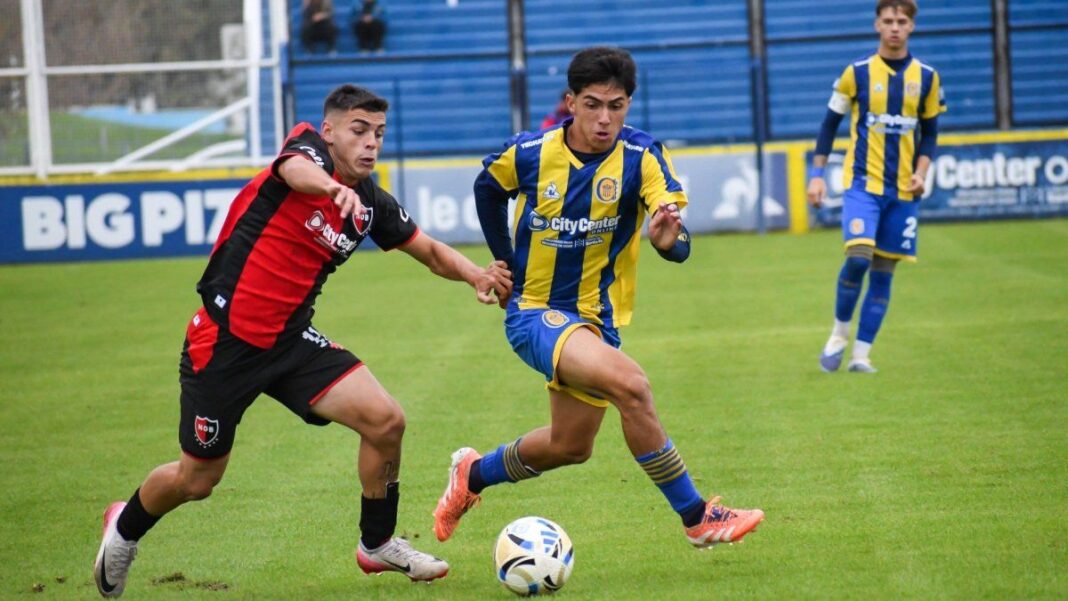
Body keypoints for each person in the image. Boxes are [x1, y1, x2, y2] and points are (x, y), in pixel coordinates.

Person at [92, 84, 513, 598]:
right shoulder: (306, 151)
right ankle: (125, 525)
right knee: (197, 480)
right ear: (330, 129)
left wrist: (476, 275)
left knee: (386, 421)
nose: (370, 144)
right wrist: (329, 188)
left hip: (291, 345)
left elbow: (425, 249)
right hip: (224, 343)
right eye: (359, 131)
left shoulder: (370, 203)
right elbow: (294, 169)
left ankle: (376, 544)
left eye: (379, 134)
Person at [432, 46, 764, 550]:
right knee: (632, 385)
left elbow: (676, 235)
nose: (604, 118)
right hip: (534, 313)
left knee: (570, 446)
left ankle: (472, 475)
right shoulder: (531, 153)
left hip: (597, 321)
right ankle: (698, 517)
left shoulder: (643, 156)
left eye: (617, 105)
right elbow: (487, 186)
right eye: (592, 104)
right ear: (571, 102)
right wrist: (503, 263)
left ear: (630, 104)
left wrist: (671, 242)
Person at [808, 0, 946, 373]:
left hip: (903, 193)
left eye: (902, 21)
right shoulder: (857, 73)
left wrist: (922, 171)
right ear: (877, 25)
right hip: (862, 186)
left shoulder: (928, 78)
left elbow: (930, 133)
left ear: (912, 26)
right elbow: (828, 125)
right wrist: (816, 176)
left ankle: (861, 356)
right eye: (888, 21)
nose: (895, 27)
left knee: (884, 271)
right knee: (858, 258)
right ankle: (839, 333)